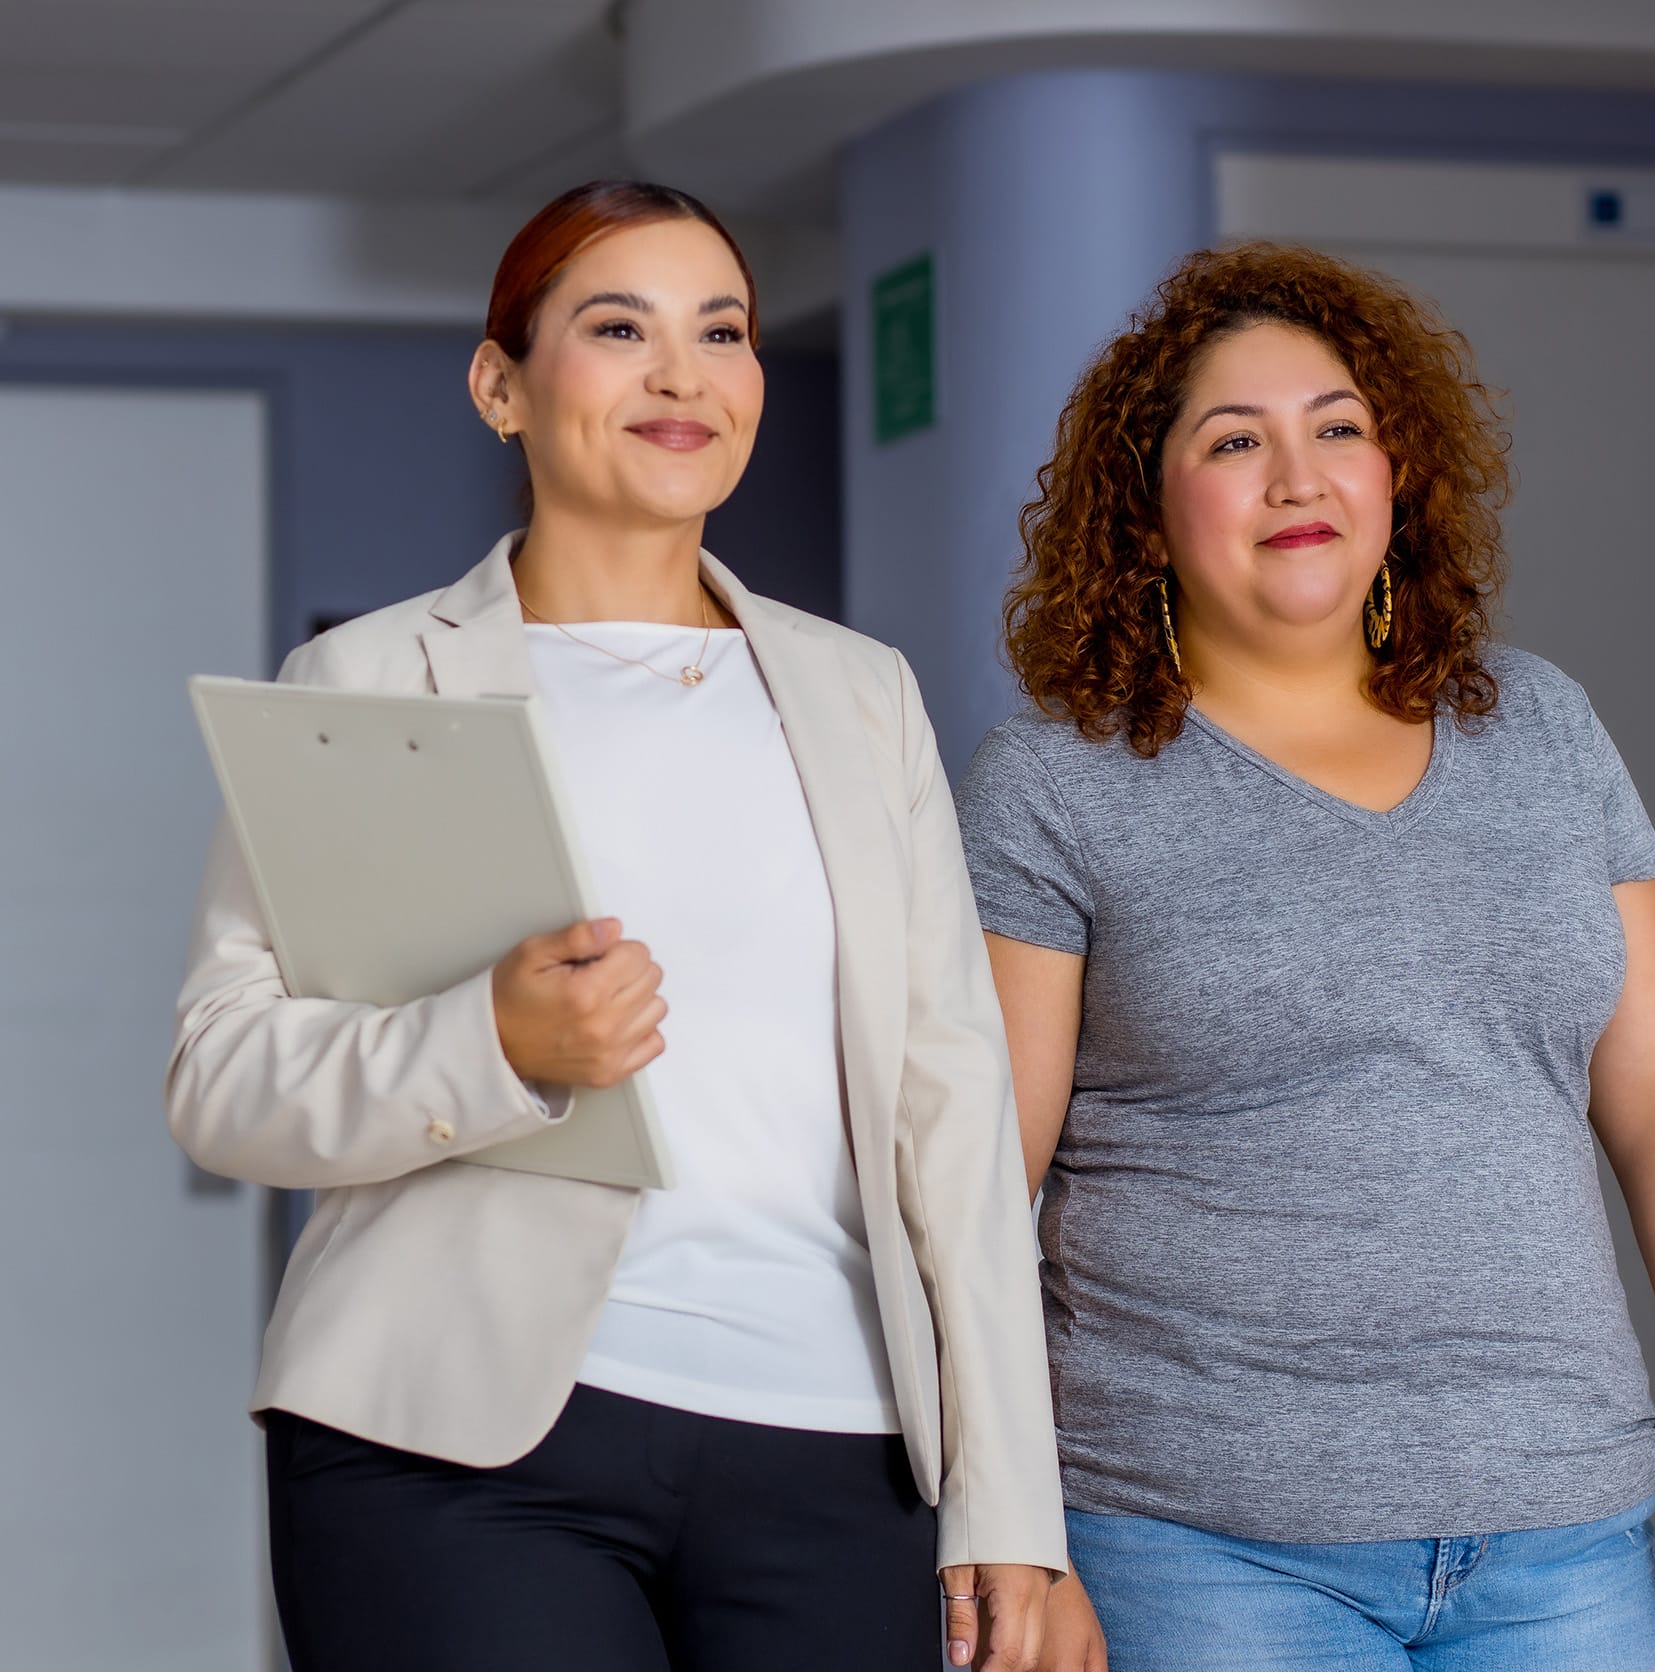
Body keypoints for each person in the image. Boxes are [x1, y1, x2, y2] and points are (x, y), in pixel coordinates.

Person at [167, 179, 1062, 1672]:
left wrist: (1010, 1498)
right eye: (617, 327)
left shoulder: (861, 693)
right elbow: (224, 1074)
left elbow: (952, 1112)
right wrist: (493, 1042)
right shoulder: (370, 678)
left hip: (838, 1444)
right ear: (500, 386)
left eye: (722, 330)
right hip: (456, 1448)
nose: (681, 375)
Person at [954, 242, 1655, 1671]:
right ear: (1150, 516)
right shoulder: (1058, 785)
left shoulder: (1539, 728)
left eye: (1338, 428)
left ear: (1396, 474)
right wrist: (1011, 1528)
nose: (1300, 478)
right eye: (1236, 442)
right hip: (1201, 1541)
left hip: (1563, 1527)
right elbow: (982, 1188)